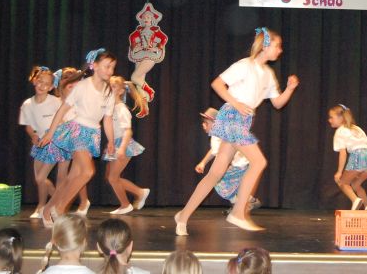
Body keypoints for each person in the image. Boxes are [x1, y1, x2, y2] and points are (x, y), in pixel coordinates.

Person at [174, 28, 299, 235]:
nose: (280, 50)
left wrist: (290, 89)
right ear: (265, 46)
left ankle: (183, 216)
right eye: (277, 45)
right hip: (232, 116)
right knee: (259, 162)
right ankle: (238, 213)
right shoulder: (245, 65)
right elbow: (217, 84)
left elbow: (277, 103)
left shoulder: (268, 74)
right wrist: (236, 103)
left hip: (243, 120)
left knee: (215, 173)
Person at [39, 49, 117, 227]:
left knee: (72, 177)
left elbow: (107, 119)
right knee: (88, 171)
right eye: (107, 66)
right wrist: (50, 133)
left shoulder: (109, 92)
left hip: (93, 134)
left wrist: (111, 141)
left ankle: (47, 210)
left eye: (112, 67)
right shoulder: (82, 86)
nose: (110, 70)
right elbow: (63, 109)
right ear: (95, 66)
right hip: (77, 130)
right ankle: (59, 208)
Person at [18, 66, 65, 219]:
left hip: (54, 141)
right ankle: (43, 205)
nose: (42, 86)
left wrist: (51, 133)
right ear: (34, 81)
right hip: (39, 143)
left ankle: (57, 203)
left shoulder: (56, 102)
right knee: (39, 180)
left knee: (40, 178)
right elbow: (28, 125)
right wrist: (33, 135)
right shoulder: (27, 104)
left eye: (46, 84)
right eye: (40, 82)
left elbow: (63, 120)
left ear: (51, 87)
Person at [196, 108, 260, 211]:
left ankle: (239, 206)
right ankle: (250, 201)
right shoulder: (217, 135)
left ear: (215, 123)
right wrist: (203, 163)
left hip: (239, 164)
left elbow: (228, 152)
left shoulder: (221, 135)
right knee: (233, 185)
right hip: (241, 164)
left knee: (219, 183)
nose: (203, 125)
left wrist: (225, 167)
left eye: (206, 123)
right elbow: (214, 151)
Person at [103, 76, 150, 215]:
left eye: (113, 87)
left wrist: (122, 148)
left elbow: (128, 131)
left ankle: (125, 205)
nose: (109, 89)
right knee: (111, 177)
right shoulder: (110, 107)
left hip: (123, 144)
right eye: (108, 86)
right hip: (115, 143)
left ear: (121, 91)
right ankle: (140, 192)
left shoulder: (121, 109)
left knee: (113, 178)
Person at [327, 104, 367, 210]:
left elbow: (343, 153)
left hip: (358, 156)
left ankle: (355, 200)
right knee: (356, 184)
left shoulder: (340, 131)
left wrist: (339, 172)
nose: (329, 120)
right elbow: (366, 143)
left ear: (341, 118)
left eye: (331, 117)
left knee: (342, 182)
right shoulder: (357, 128)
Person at [55, 69, 91, 217]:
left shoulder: (80, 101)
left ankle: (78, 202)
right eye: (66, 78)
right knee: (63, 174)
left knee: (79, 172)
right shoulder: (57, 101)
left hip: (79, 139)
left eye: (73, 78)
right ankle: (61, 204)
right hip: (63, 140)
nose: (70, 81)